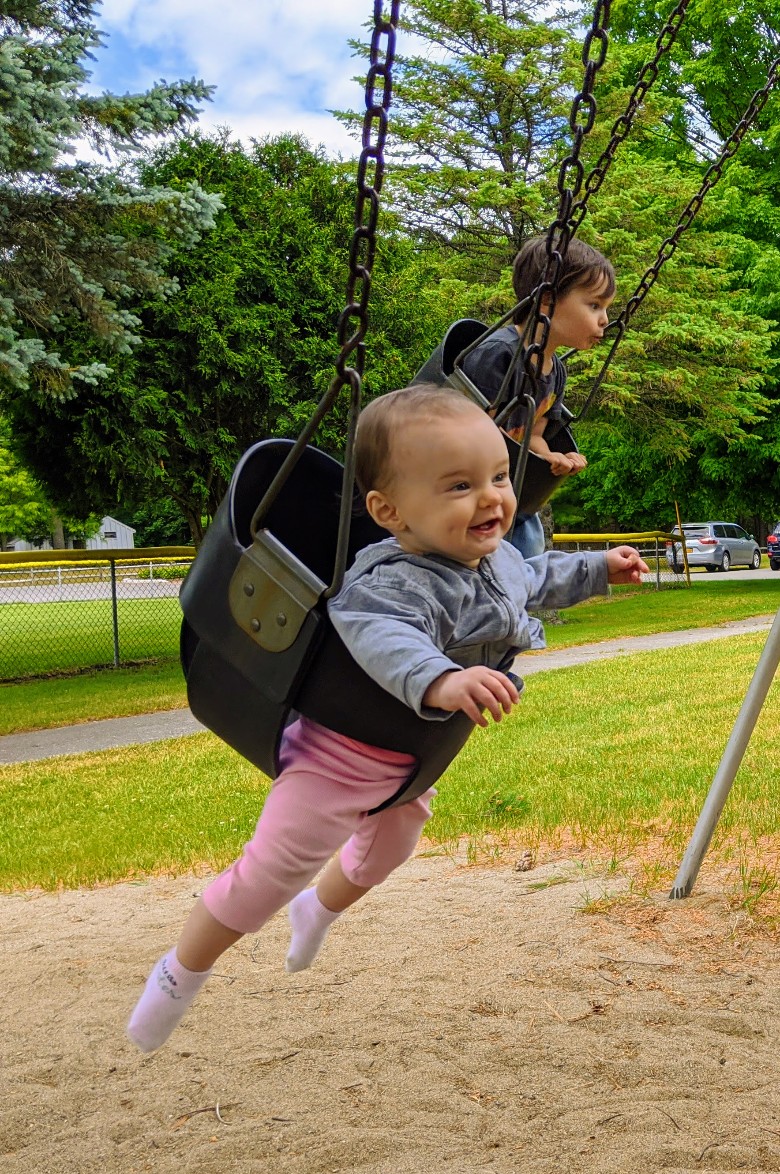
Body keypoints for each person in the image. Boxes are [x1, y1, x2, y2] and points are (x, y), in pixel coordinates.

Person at [127, 384, 647, 1053]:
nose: (491, 498)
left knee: (391, 848)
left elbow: (536, 579)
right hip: (336, 756)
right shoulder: (391, 580)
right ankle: (179, 973)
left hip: (406, 759)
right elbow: (382, 637)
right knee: (268, 878)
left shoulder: (495, 556)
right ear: (389, 511)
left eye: (496, 477)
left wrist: (600, 567)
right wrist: (445, 678)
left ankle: (319, 910)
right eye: (460, 485)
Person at [460, 235, 615, 559]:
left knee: (529, 540)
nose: (605, 320)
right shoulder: (497, 355)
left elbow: (533, 435)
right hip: (466, 492)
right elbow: (474, 435)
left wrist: (551, 459)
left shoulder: (556, 371)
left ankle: (520, 602)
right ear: (547, 300)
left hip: (509, 493)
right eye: (594, 305)